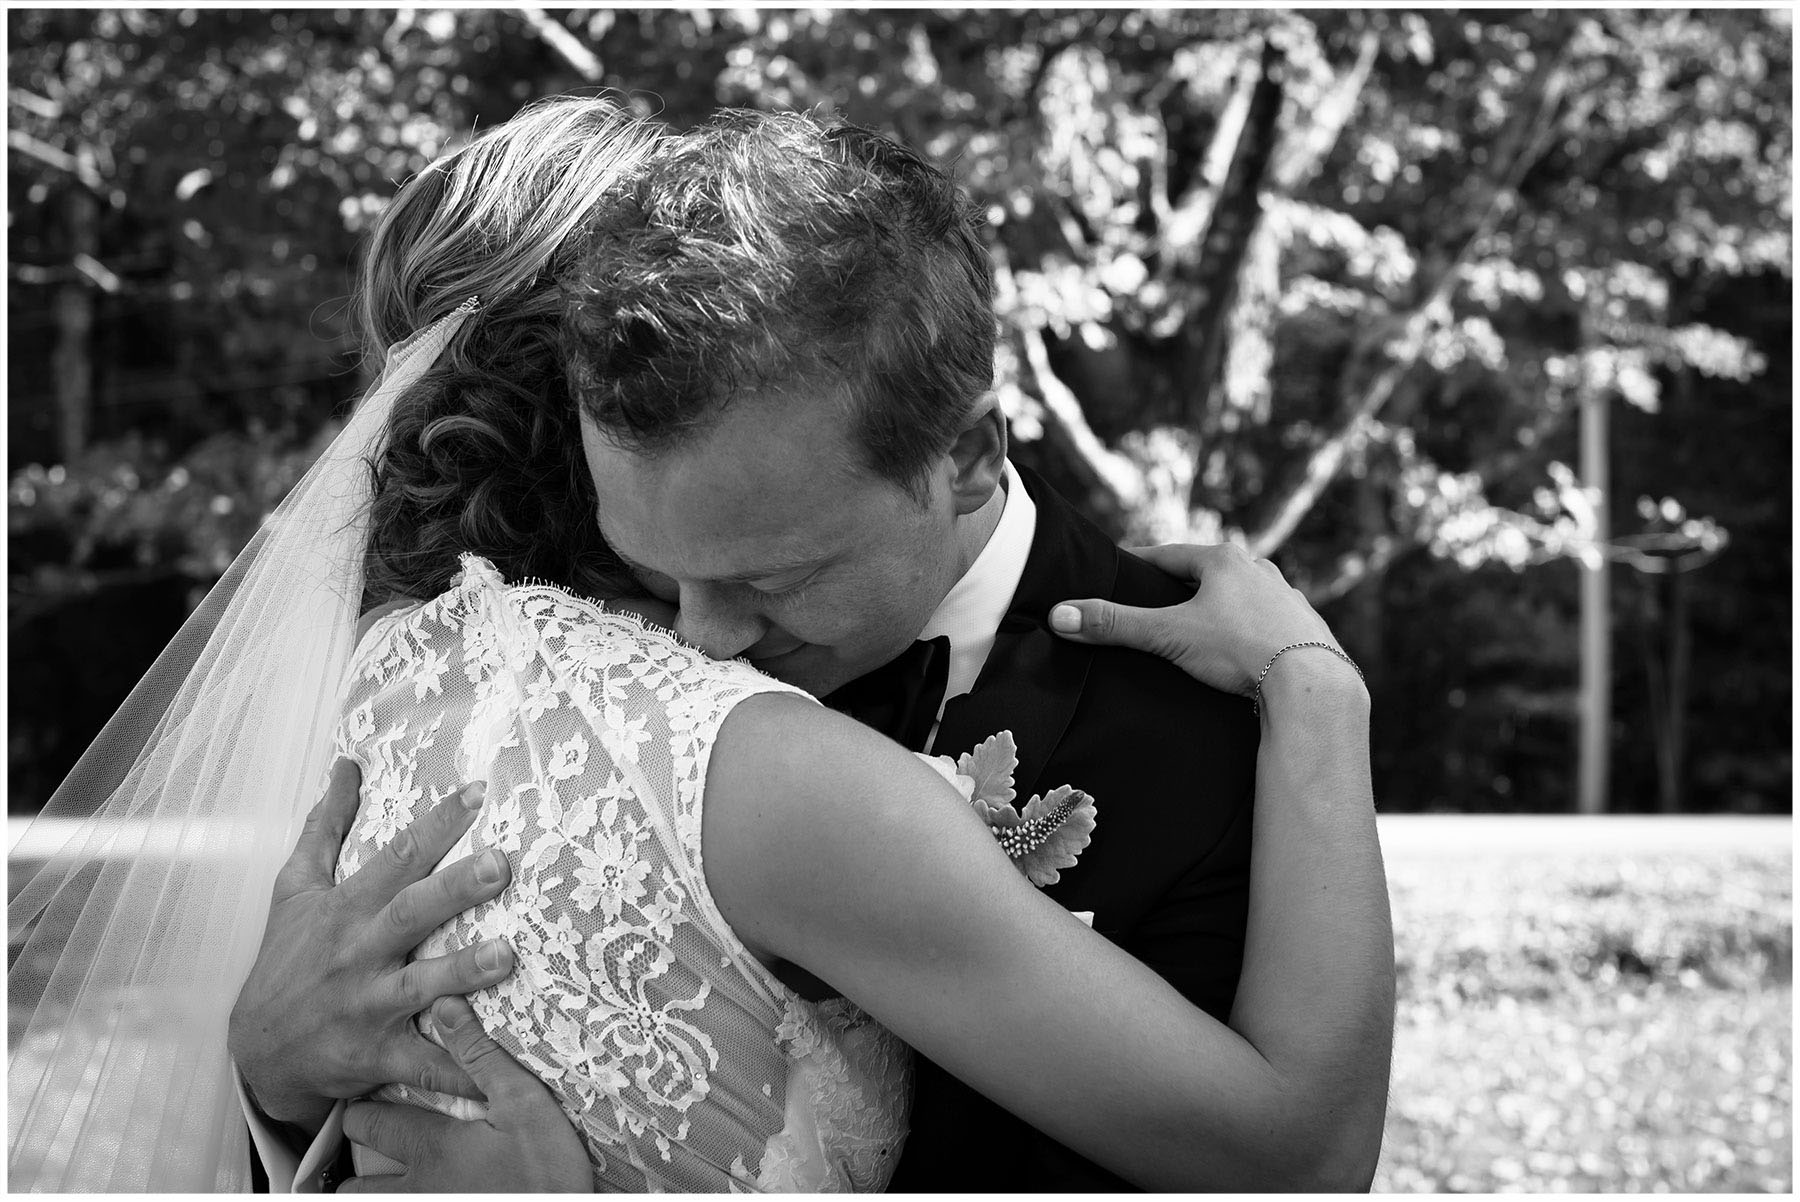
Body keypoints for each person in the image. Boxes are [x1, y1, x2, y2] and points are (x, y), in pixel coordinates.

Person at [225, 107, 1393, 1191]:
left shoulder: (1220, 744)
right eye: (657, 566)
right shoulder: (505, 704)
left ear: (971, 456)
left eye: (772, 578)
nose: (699, 636)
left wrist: (1319, 689)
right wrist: (278, 1072)